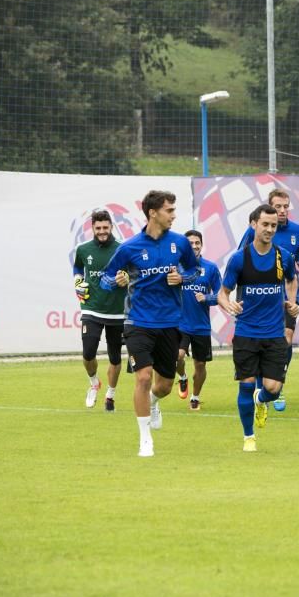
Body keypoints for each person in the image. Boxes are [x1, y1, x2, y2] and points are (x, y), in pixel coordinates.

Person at [100, 190, 199, 457]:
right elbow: (105, 280)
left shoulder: (180, 243)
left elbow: (193, 270)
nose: (173, 215)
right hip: (137, 322)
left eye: (174, 210)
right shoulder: (129, 247)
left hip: (170, 323)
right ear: (152, 213)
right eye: (169, 210)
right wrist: (116, 281)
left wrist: (182, 278)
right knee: (143, 377)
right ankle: (145, 439)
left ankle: (154, 402)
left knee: (164, 385)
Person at [218, 204, 298, 452]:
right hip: (246, 333)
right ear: (253, 224)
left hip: (275, 334)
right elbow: (223, 292)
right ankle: (248, 437)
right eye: (265, 224)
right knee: (246, 383)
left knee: (273, 389)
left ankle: (261, 400)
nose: (270, 229)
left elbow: (292, 279)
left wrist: (292, 303)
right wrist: (228, 305)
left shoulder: (283, 256)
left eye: (274, 225)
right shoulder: (240, 259)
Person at [237, 188, 299, 411]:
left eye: (286, 206)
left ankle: (277, 382)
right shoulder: (255, 231)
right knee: (261, 340)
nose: (283, 210)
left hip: (286, 294)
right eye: (278, 206)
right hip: (258, 297)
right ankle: (261, 387)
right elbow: (242, 258)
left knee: (285, 338)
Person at [72, 209, 126, 412]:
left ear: (111, 226)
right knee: (88, 353)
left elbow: (134, 272)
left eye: (105, 227)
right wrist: (77, 281)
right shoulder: (83, 249)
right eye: (98, 228)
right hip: (91, 309)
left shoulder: (123, 248)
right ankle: (94, 382)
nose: (102, 231)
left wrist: (127, 278)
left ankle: (110, 396)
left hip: (117, 312)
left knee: (114, 357)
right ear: (92, 228)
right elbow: (77, 268)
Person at [175, 230, 221, 410]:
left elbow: (221, 294)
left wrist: (207, 298)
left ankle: (195, 396)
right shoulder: (175, 267)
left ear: (201, 245)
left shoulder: (210, 268)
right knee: (177, 356)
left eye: (197, 243)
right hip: (180, 323)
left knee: (200, 364)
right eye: (190, 243)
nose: (194, 246)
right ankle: (183, 377)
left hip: (201, 326)